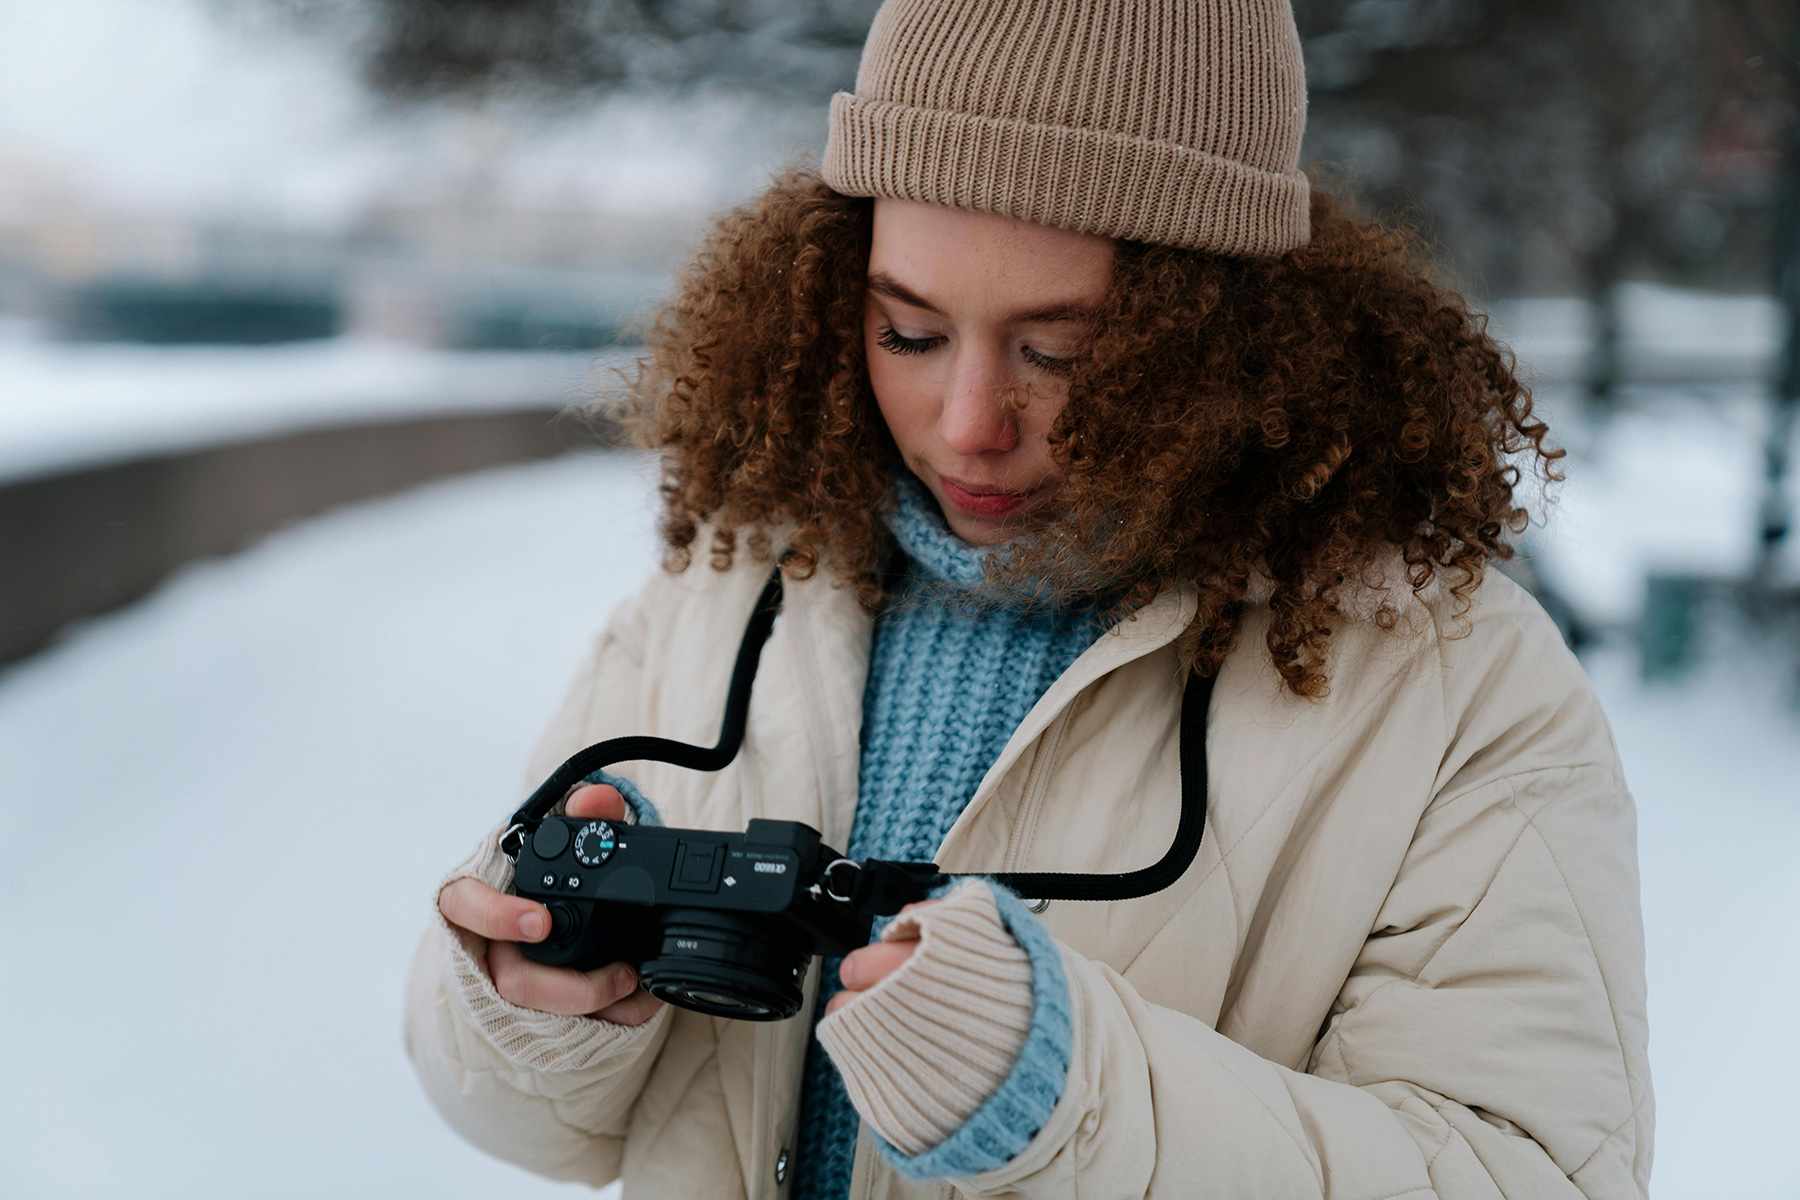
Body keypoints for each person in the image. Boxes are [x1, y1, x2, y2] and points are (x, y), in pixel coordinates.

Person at [404, 1, 1653, 1196]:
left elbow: (1526, 1168)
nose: (966, 426)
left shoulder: (1454, 683)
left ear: (1231, 339)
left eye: (1064, 353)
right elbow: (523, 1125)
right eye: (907, 333)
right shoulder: (733, 586)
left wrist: (1064, 1096)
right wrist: (527, 998)